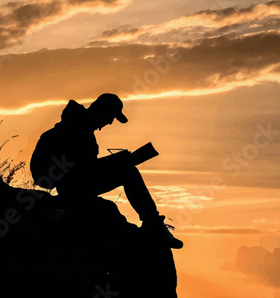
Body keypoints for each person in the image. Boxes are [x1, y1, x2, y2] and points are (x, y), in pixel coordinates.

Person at [30, 93, 183, 249]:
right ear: (102, 112)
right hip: (71, 188)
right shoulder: (77, 131)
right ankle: (153, 224)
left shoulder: (79, 128)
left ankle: (153, 223)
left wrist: (113, 162)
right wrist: (117, 162)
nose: (110, 123)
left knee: (126, 168)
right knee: (128, 172)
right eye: (111, 117)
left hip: (73, 183)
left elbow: (83, 167)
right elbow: (79, 169)